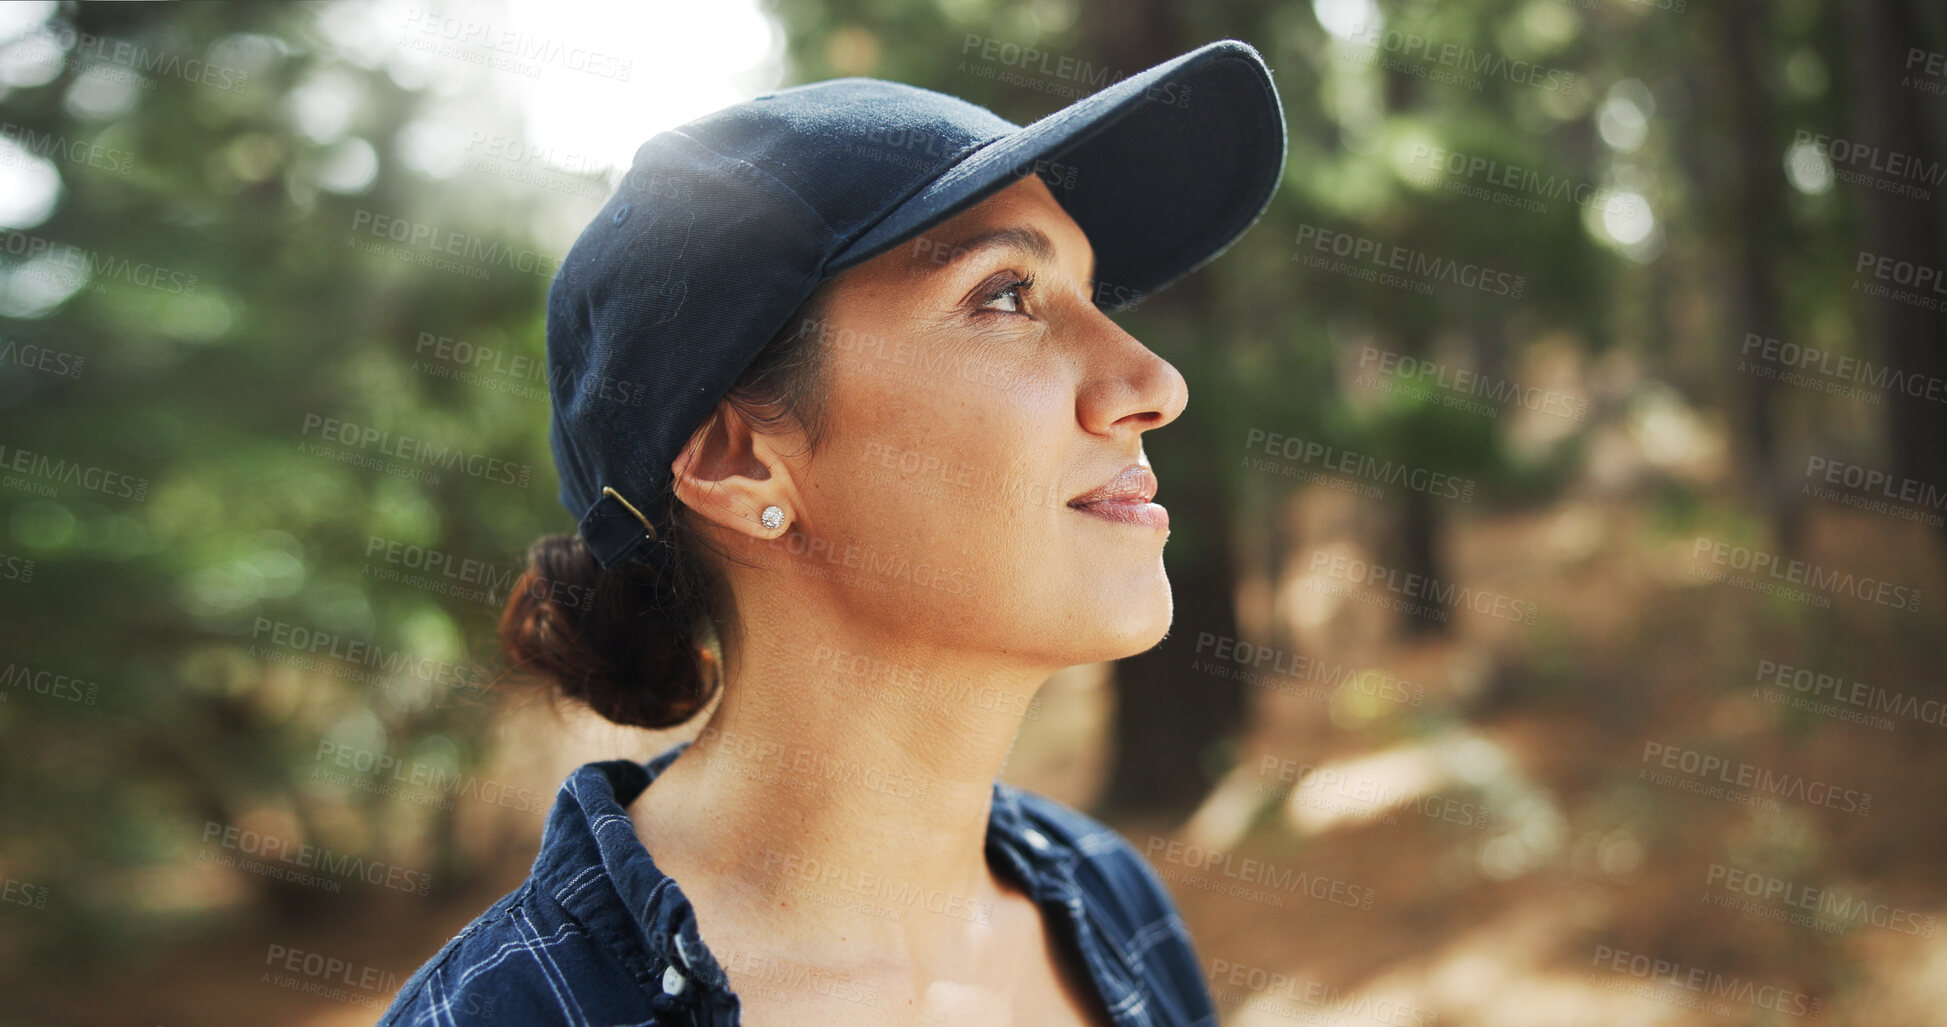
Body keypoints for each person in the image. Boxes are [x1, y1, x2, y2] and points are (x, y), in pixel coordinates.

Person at [378, 37, 1286, 1027]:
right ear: (738, 458)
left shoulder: (1112, 900)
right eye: (1006, 296)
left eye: (1089, 294)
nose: (1156, 383)